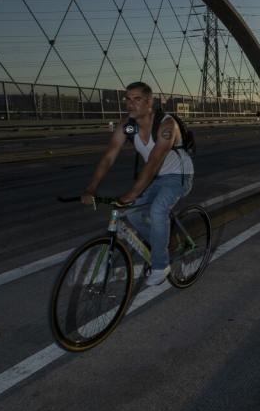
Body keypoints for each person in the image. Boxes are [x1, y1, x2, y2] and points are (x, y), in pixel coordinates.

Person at [81, 82, 194, 286]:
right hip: (156, 178)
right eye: (128, 99)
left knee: (158, 210)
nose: (130, 104)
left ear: (150, 101)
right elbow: (108, 158)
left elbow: (153, 162)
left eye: (137, 99)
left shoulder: (166, 125)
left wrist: (131, 194)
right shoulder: (128, 126)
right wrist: (91, 188)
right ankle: (159, 244)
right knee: (132, 212)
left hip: (179, 175)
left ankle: (161, 265)